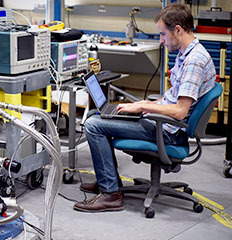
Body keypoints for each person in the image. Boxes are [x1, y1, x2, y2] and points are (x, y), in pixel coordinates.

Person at [73, 3, 216, 213]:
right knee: (98, 114)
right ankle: (108, 179)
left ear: (177, 30)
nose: (161, 40)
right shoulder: (188, 53)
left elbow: (179, 111)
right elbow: (171, 99)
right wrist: (143, 106)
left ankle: (111, 194)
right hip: (163, 123)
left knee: (94, 124)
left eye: (162, 34)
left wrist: (142, 105)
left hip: (168, 132)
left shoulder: (194, 61)